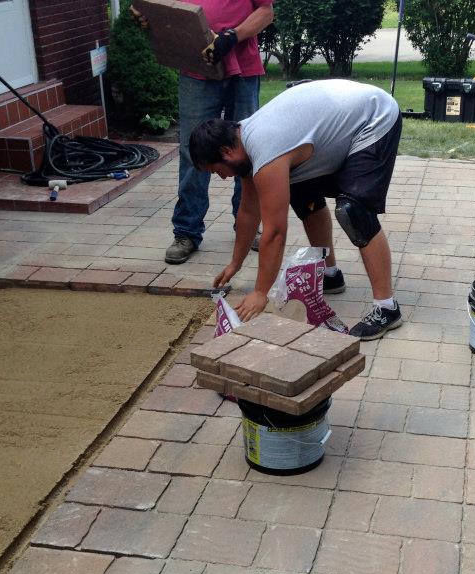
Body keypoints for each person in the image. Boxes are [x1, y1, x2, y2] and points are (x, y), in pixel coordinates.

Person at [189, 79, 404, 340]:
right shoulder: (244, 146)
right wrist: (235, 263)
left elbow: (275, 232)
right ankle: (330, 274)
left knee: (354, 212)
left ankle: (387, 307)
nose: (221, 177)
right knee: (302, 194)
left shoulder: (265, 149)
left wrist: (260, 292)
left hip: (374, 118)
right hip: (337, 125)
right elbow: (248, 213)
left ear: (226, 151)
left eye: (216, 170)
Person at [134, 0, 274, 264]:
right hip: (196, 68)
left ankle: (246, 223)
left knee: (248, 149)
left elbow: (265, 13)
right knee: (192, 151)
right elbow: (167, 11)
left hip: (242, 67)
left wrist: (231, 38)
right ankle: (186, 232)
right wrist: (149, 18)